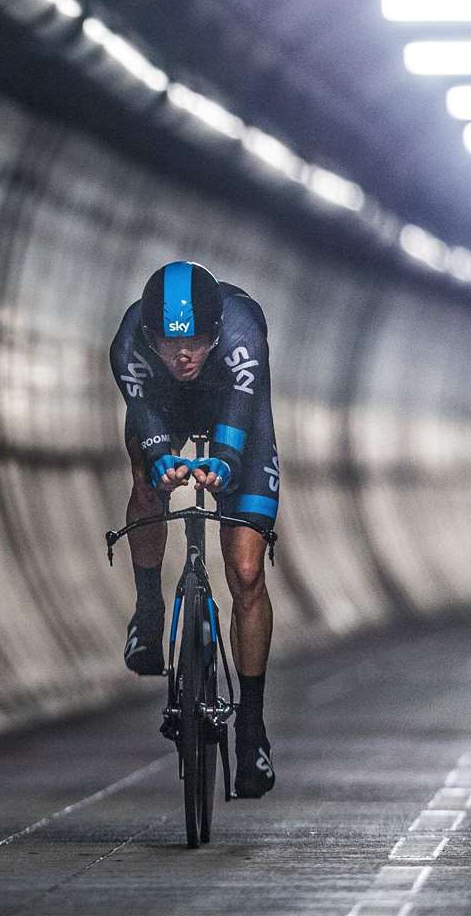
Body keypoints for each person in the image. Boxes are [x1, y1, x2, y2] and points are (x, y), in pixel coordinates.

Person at [108, 260, 280, 799]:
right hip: (167, 407)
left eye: (196, 343)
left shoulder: (242, 332)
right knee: (145, 474)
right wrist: (160, 458)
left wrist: (224, 461)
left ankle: (251, 727)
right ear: (149, 337)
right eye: (168, 344)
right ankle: (149, 608)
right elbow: (146, 417)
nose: (183, 355)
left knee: (247, 572)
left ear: (215, 334)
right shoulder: (129, 345)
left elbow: (241, 410)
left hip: (236, 409)